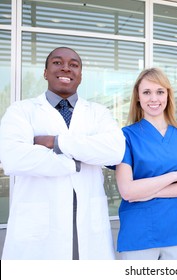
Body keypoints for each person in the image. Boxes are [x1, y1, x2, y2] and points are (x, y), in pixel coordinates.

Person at [0, 47, 126, 260]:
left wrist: (54, 142)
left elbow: (115, 151)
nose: (66, 68)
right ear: (45, 72)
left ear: (81, 76)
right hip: (39, 228)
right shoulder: (21, 110)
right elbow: (13, 158)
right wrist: (75, 162)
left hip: (88, 224)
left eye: (74, 65)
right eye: (57, 63)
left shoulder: (98, 112)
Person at [115, 67, 177, 260]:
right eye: (147, 92)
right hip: (138, 232)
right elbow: (127, 191)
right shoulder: (125, 136)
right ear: (137, 97)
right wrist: (173, 176)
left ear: (168, 95)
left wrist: (148, 192)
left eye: (160, 92)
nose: (154, 98)